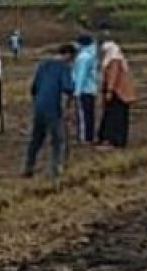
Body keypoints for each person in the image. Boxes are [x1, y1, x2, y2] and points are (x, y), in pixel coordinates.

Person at [24, 43, 77, 180]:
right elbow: (69, 87)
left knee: (36, 139)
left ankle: (28, 167)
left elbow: (34, 87)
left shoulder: (43, 65)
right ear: (68, 55)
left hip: (39, 106)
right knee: (58, 140)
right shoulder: (63, 68)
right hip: (53, 107)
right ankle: (56, 171)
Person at [99, 36, 138, 149]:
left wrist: (109, 91)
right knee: (119, 116)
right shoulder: (118, 59)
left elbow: (113, 76)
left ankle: (112, 140)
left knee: (115, 116)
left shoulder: (114, 60)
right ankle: (118, 140)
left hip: (118, 93)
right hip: (121, 93)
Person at [71, 34, 100, 144]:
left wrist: (77, 91)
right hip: (91, 90)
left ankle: (84, 138)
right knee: (89, 115)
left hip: (84, 90)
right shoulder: (91, 55)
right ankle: (89, 136)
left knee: (83, 115)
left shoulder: (83, 57)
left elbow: (81, 76)